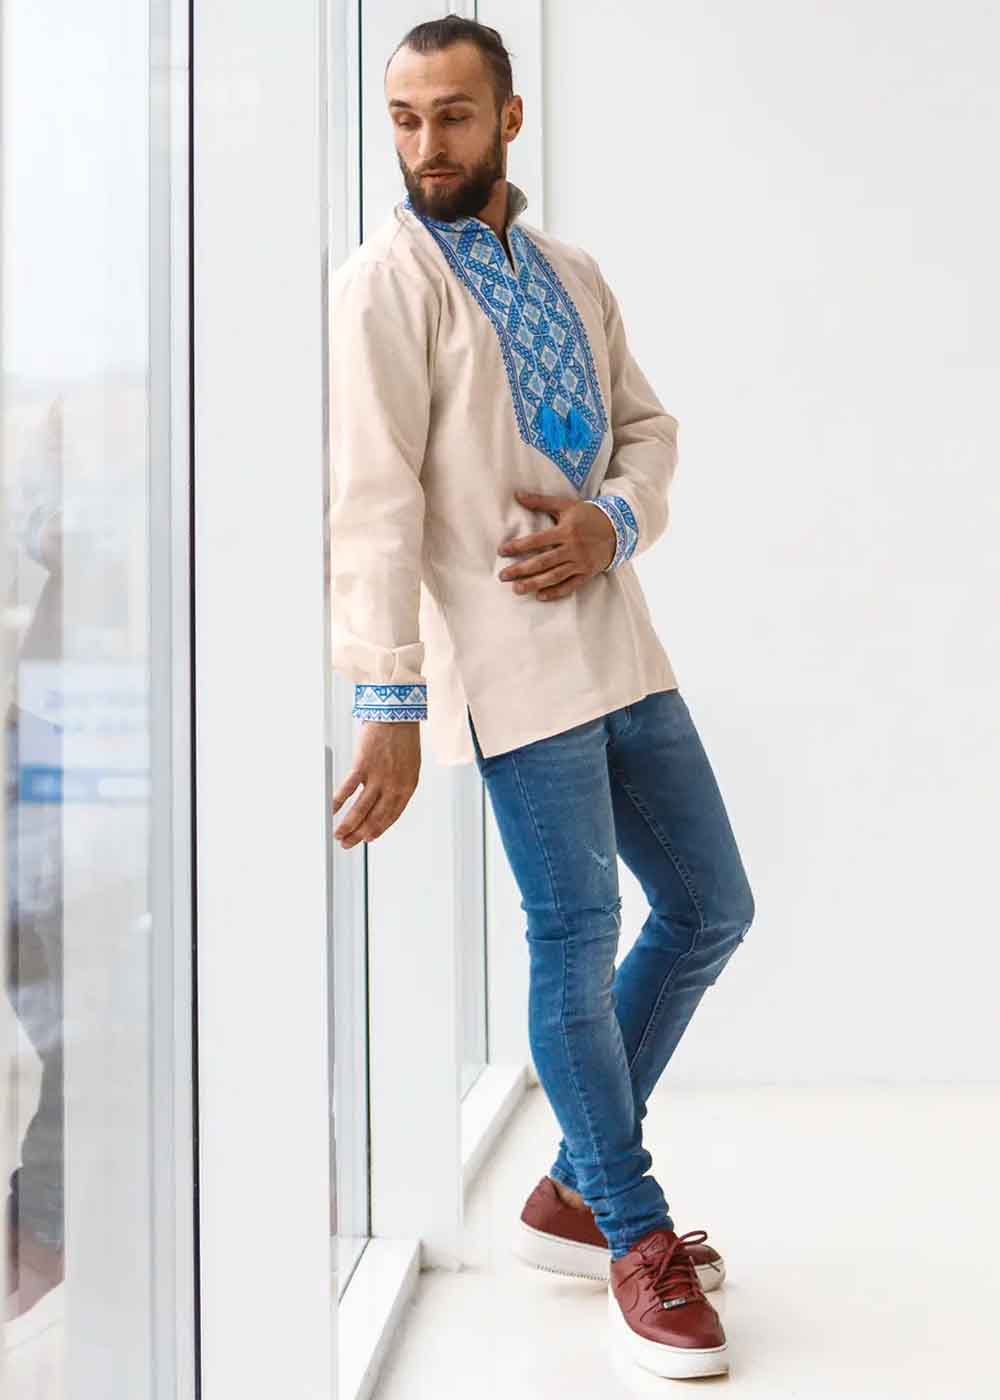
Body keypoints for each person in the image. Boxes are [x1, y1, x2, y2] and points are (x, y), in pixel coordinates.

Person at [328, 16, 755, 1380]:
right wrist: (389, 702)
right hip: (508, 666)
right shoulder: (386, 283)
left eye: (452, 115)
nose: (425, 144)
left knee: (711, 905)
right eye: (404, 117)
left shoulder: (572, 272)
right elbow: (370, 505)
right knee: (574, 934)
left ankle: (573, 1188)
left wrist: (609, 524)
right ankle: (630, 1228)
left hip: (619, 639)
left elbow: (647, 430)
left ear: (509, 120)